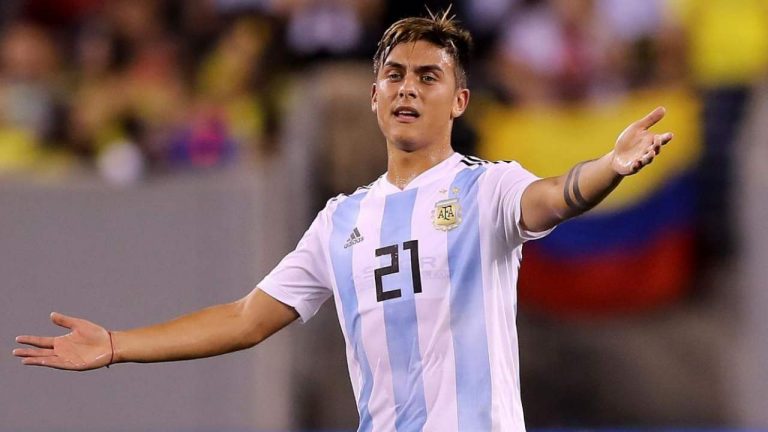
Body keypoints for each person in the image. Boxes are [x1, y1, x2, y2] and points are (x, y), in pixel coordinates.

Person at [13, 10, 673, 431]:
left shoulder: (487, 188)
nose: (408, 87)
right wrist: (118, 343)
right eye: (395, 75)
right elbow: (246, 318)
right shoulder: (341, 221)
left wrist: (610, 167)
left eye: (429, 77)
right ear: (375, 95)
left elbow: (556, 196)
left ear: (459, 100)